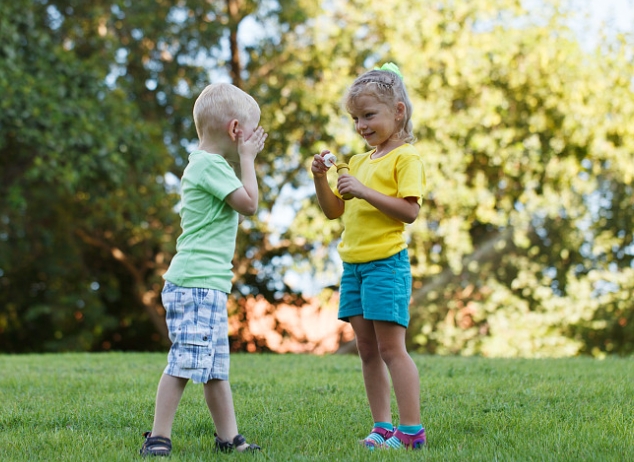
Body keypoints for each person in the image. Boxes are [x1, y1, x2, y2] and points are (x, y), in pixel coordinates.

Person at [140, 83, 267, 457]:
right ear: (235, 131)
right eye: (251, 131)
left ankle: (229, 438)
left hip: (205, 284)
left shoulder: (207, 165)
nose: (254, 140)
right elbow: (249, 204)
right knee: (183, 361)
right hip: (196, 283)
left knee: (214, 368)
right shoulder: (211, 165)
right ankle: (159, 437)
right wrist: (248, 159)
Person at [311, 63, 427, 450]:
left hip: (386, 266)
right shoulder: (359, 162)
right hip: (354, 268)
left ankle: (410, 432)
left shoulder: (405, 158)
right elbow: (334, 211)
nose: (361, 125)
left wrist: (363, 190)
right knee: (366, 350)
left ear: (398, 111)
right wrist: (319, 180)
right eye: (356, 118)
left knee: (392, 349)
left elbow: (409, 212)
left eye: (369, 115)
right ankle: (382, 427)